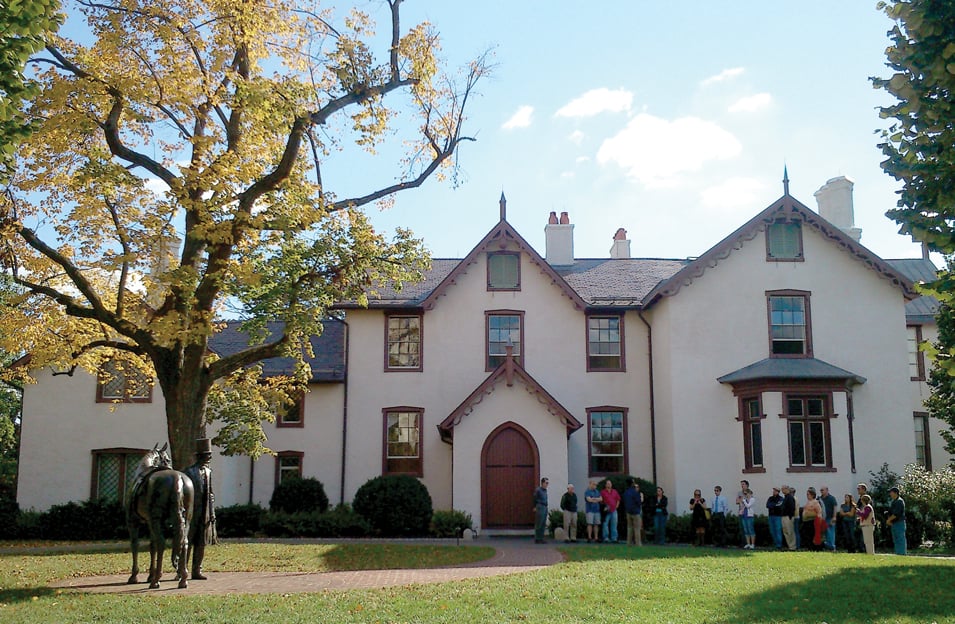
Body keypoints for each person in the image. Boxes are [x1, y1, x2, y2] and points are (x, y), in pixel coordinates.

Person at [184, 438, 217, 580]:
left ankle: (197, 570)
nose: (209, 458)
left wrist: (212, 512)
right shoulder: (188, 472)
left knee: (201, 542)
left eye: (210, 455)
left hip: (204, 513)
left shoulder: (209, 472)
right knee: (188, 542)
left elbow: (210, 493)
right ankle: (182, 569)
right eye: (207, 455)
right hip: (191, 513)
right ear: (200, 456)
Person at [623, 478, 643, 546]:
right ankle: (638, 543)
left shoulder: (626, 492)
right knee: (637, 528)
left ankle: (628, 543)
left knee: (629, 528)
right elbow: (639, 502)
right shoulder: (635, 492)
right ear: (632, 483)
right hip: (635, 512)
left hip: (628, 512)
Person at [887, 486, 906, 555]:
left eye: (891, 492)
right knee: (896, 539)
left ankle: (902, 553)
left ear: (895, 493)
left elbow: (896, 513)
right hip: (895, 523)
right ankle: (898, 553)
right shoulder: (894, 501)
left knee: (900, 538)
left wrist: (889, 520)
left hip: (899, 522)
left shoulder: (899, 501)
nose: (890, 494)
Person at [819, 486, 839, 552]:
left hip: (830, 518)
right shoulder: (820, 499)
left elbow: (835, 507)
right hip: (822, 519)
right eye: (821, 490)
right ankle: (827, 547)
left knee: (830, 533)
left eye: (822, 490)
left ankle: (832, 547)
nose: (821, 491)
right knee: (824, 534)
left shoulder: (831, 498)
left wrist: (834, 517)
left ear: (827, 490)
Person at [854, 482, 870, 553]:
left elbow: (865, 509)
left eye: (859, 489)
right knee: (859, 535)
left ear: (863, 489)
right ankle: (860, 549)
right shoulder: (860, 498)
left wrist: (858, 512)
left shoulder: (866, 499)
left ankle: (863, 550)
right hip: (860, 519)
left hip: (864, 520)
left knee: (863, 537)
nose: (857, 490)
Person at [780, 485, 797, 551]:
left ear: (787, 489)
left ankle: (793, 547)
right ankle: (789, 546)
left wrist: (790, 516)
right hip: (784, 516)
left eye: (783, 489)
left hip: (788, 517)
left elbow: (792, 507)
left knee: (790, 532)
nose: (782, 490)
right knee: (786, 532)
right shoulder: (785, 497)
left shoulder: (790, 497)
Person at [533, 477, 549, 544]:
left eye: (548, 483)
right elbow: (534, 498)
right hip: (540, 506)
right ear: (542, 483)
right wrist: (534, 506)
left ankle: (541, 538)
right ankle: (537, 538)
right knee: (539, 523)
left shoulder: (545, 490)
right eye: (546, 483)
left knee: (543, 523)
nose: (547, 484)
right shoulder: (538, 490)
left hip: (545, 506)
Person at [736, 479, 750, 547]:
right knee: (741, 528)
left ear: (747, 485)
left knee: (747, 527)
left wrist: (742, 500)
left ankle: (749, 543)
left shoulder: (749, 492)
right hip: (741, 511)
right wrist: (742, 500)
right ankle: (742, 542)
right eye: (741, 484)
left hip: (747, 512)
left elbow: (749, 501)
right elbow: (737, 501)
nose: (742, 485)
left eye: (743, 484)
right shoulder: (739, 493)